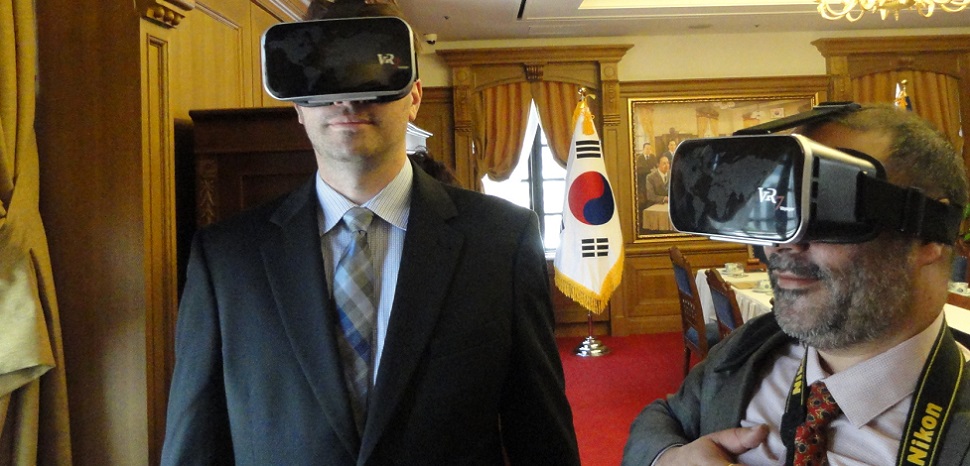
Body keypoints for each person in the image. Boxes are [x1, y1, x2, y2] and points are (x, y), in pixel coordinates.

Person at [160, 1, 580, 465]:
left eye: (370, 72)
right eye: (323, 76)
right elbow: (195, 444)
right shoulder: (226, 260)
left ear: (414, 95)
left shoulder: (501, 242)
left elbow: (541, 436)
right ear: (297, 104)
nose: (347, 98)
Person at [622, 104, 970, 465]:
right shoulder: (752, 348)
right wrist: (668, 458)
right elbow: (664, 417)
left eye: (825, 207)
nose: (780, 244)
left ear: (928, 235)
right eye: (780, 209)